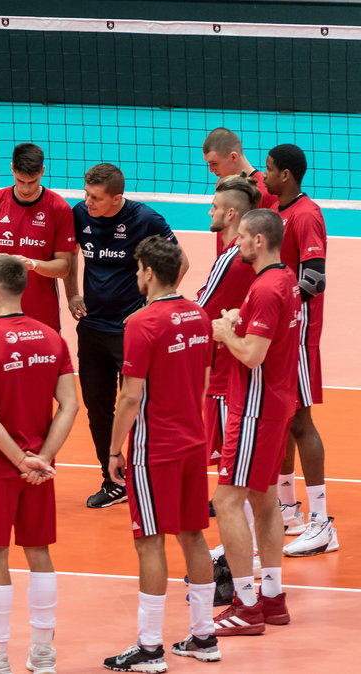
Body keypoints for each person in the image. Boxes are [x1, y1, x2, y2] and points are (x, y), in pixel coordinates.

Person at [0, 256, 77, 674]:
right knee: (39, 552)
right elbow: (70, 405)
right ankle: (43, 654)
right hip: (41, 470)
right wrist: (42, 457)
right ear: (23, 288)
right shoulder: (51, 339)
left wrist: (19, 458)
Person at [102, 236, 219, 672]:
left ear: (149, 273)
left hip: (156, 450)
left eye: (138, 269)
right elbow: (203, 380)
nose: (136, 276)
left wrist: (114, 450)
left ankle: (150, 648)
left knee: (148, 541)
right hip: (193, 441)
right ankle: (204, 635)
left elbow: (130, 398)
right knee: (193, 535)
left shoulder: (142, 323)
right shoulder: (200, 315)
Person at [0, 142, 74, 517]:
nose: (25, 187)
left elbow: (64, 267)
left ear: (42, 173)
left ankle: (36, 469)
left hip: (42, 325)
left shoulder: (57, 208)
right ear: (11, 171)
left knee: (40, 409)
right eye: (20, 180)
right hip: (0, 324)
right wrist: (3, 262)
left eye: (32, 181)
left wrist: (33, 265)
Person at [64, 163, 188, 509]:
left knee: (140, 407)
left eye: (96, 198)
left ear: (117, 198)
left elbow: (179, 262)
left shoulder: (145, 219)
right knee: (97, 409)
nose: (88, 202)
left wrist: (150, 307)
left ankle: (149, 477)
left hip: (131, 332)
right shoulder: (79, 214)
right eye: (86, 194)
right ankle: (113, 480)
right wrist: (72, 292)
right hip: (91, 328)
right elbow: (69, 255)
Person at [209, 209, 299, 637]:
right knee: (264, 502)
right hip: (277, 403)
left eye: (242, 236)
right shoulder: (286, 281)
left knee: (227, 502)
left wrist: (225, 331)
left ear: (259, 241)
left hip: (255, 411)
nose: (236, 242)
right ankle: (274, 598)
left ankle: (246, 605)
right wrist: (237, 321)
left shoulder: (264, 288)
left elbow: (252, 355)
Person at [263, 144, 337, 556]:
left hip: (299, 331)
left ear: (287, 174)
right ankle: (288, 507)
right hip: (283, 331)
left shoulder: (305, 215)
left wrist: (273, 301)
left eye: (270, 170)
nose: (267, 176)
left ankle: (322, 521)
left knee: (301, 420)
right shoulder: (281, 209)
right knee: (286, 418)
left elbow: (314, 280)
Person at [197, 175, 266, 576]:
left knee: (235, 473)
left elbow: (199, 311)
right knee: (246, 473)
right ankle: (246, 546)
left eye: (214, 206)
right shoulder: (254, 260)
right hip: (241, 372)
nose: (209, 211)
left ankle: (246, 552)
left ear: (232, 213)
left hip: (228, 377)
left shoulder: (230, 258)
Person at [202, 129, 279, 224]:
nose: (210, 170)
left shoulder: (264, 192)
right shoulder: (224, 186)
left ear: (233, 157)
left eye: (214, 163)